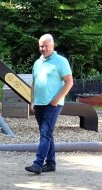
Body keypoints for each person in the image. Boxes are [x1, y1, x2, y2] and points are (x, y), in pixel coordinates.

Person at [25, 33, 73, 175]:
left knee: (45, 133)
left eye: (46, 46)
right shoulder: (37, 63)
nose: (44, 48)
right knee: (46, 133)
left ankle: (37, 164)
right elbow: (34, 83)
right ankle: (51, 163)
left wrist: (56, 100)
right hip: (39, 102)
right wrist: (32, 101)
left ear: (53, 45)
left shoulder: (61, 61)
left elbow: (69, 82)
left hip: (53, 104)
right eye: (41, 46)